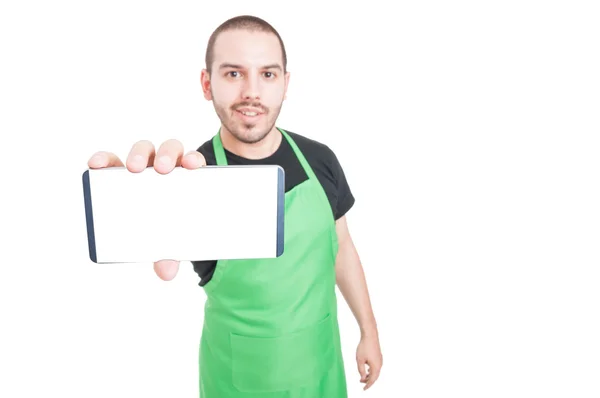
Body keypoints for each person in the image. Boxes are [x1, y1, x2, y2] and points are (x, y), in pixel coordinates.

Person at [87, 15, 382, 397]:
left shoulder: (321, 159)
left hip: (320, 368)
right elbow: (161, 256)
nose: (252, 92)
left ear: (285, 84)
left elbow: (341, 248)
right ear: (207, 84)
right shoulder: (191, 179)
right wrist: (142, 203)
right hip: (239, 380)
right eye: (233, 74)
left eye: (268, 75)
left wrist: (369, 331)